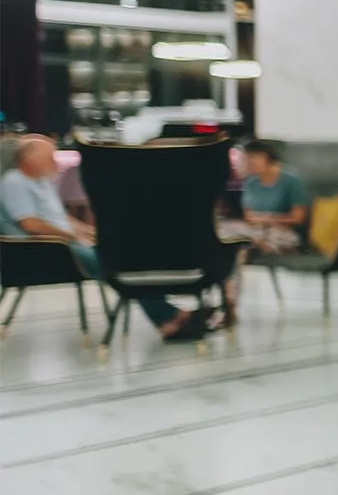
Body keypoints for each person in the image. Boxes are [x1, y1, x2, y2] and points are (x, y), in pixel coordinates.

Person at [0, 135, 207, 341]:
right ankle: (168, 318)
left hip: (65, 244)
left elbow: (62, 219)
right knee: (117, 264)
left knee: (126, 254)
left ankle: (167, 315)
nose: (54, 161)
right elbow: (32, 225)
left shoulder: (42, 183)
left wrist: (91, 233)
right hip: (45, 251)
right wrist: (74, 236)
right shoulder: (13, 183)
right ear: (29, 159)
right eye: (49, 156)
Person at [217, 140, 312, 324]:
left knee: (240, 242)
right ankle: (228, 302)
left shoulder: (292, 181)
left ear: (268, 158)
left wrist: (265, 219)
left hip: (284, 233)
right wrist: (264, 220)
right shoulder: (251, 182)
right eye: (247, 159)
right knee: (229, 241)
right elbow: (249, 216)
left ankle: (229, 303)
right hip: (254, 231)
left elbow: (298, 217)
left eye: (253, 159)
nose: (248, 163)